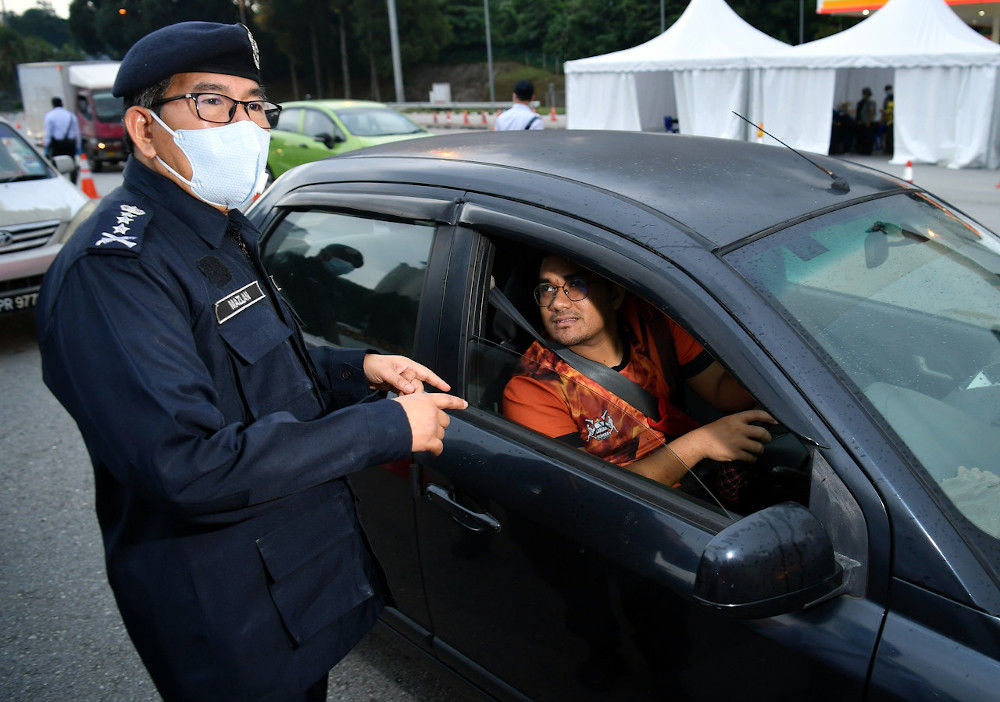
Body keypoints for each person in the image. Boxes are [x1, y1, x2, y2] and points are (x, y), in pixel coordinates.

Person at [35, 21, 466, 702]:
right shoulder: (116, 272)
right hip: (224, 608)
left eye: (253, 105)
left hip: (291, 577)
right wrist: (386, 428)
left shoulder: (219, 225)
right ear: (145, 131)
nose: (243, 124)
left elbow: (257, 367)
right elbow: (187, 466)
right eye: (212, 103)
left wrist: (361, 369)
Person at [502, 255, 774, 502]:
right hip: (639, 513)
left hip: (699, 483)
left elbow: (723, 392)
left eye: (576, 284)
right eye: (547, 288)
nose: (557, 303)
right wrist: (700, 443)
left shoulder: (652, 321)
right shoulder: (533, 386)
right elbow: (591, 492)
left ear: (616, 295)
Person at [43, 96, 81, 183]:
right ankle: (73, 182)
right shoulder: (71, 116)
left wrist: (46, 148)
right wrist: (78, 146)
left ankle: (60, 182)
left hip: (57, 145)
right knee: (72, 164)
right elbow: (77, 133)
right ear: (62, 104)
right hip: (70, 144)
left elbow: (48, 133)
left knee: (57, 165)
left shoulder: (49, 116)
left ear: (52, 105)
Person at [855, 87, 877, 155]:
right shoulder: (863, 102)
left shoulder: (871, 102)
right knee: (863, 136)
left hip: (868, 122)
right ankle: (863, 149)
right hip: (864, 121)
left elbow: (871, 111)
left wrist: (868, 121)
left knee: (868, 137)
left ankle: (867, 150)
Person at [881, 84, 894, 156]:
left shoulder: (894, 98)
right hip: (887, 119)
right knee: (887, 135)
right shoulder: (886, 99)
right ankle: (888, 149)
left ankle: (891, 149)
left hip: (892, 119)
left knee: (891, 135)